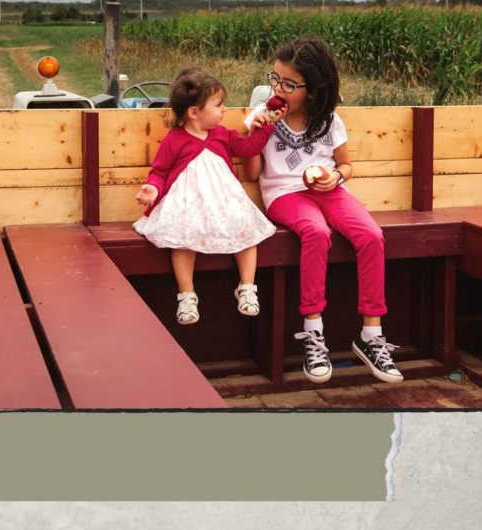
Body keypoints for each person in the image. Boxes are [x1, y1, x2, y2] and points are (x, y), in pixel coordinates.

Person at [243, 37, 403, 385]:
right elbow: (253, 174)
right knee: (316, 232)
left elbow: (346, 166)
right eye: (275, 79)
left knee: (372, 235)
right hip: (285, 194)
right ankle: (313, 333)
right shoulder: (260, 116)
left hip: (327, 190)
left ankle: (371, 335)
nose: (278, 88)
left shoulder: (330, 120)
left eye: (289, 83)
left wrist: (334, 176)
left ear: (313, 90)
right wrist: (257, 134)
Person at [134, 67, 282, 325]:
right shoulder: (174, 140)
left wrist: (265, 127)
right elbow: (159, 171)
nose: (224, 109)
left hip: (225, 204)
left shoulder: (222, 135)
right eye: (219, 104)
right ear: (194, 113)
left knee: (248, 231)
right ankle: (187, 293)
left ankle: (247, 286)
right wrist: (153, 188)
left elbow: (249, 148)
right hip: (187, 205)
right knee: (181, 240)